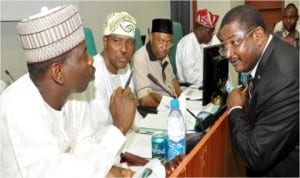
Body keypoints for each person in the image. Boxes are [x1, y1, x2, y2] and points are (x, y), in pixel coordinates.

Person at [0, 5, 137, 177]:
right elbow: (55, 173)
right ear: (58, 72)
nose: (91, 60)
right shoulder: (19, 108)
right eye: (84, 55)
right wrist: (118, 128)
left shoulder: (75, 93)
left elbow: (85, 147)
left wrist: (105, 170)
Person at [217, 5, 299, 177]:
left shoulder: (283, 80)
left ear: (258, 36)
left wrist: (236, 109)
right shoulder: (273, 53)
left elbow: (256, 155)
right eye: (225, 46)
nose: (227, 54)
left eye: (234, 43)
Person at [86, 11, 142, 140]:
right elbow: (99, 133)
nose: (124, 49)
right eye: (117, 41)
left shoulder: (125, 67)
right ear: (105, 41)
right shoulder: (93, 75)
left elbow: (133, 115)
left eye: (130, 42)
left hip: (128, 139)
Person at [132, 18, 181, 108]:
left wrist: (181, 98)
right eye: (161, 41)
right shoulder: (140, 57)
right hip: (157, 109)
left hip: (172, 103)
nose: (165, 47)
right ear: (151, 37)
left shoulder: (163, 53)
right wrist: (171, 104)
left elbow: (173, 80)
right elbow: (144, 99)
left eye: (168, 42)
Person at [176, 9, 220, 87]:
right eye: (210, 32)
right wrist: (213, 77)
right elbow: (190, 77)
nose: (212, 35)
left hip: (204, 86)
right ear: (200, 29)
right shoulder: (187, 43)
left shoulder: (206, 42)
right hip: (190, 90)